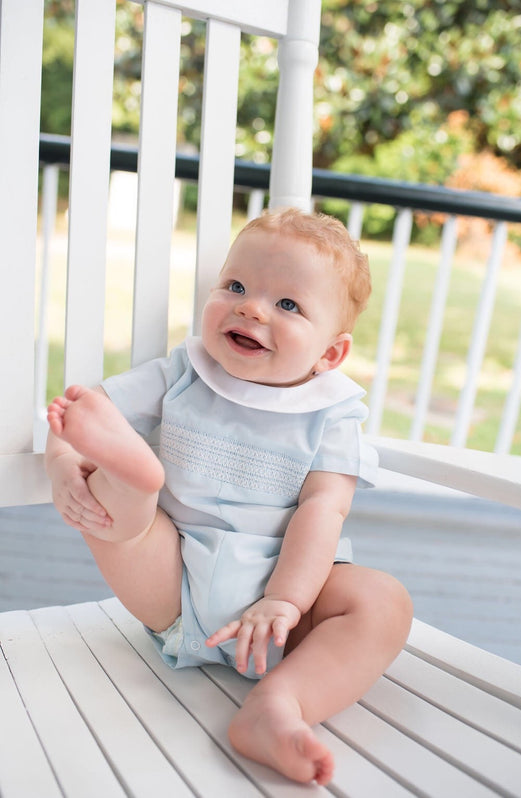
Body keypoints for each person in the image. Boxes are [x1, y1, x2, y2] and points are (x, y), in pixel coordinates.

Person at [46, 208, 413, 786]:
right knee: (128, 512)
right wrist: (66, 463)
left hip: (289, 613)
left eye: (287, 305)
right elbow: (82, 410)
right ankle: (132, 475)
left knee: (384, 600)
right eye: (236, 287)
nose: (251, 307)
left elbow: (323, 510)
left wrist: (287, 601)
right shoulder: (185, 372)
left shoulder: (332, 413)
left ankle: (278, 706)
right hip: (171, 580)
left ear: (330, 354)